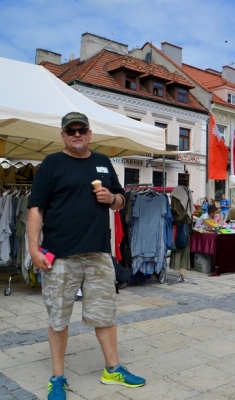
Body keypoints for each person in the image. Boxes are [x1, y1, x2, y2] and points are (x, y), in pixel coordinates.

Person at [27, 112, 145, 400]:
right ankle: (57, 377)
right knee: (58, 317)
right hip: (61, 254)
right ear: (63, 135)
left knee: (105, 314)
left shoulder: (103, 163)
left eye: (81, 130)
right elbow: (36, 209)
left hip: (98, 252)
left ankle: (112, 368)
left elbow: (120, 200)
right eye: (71, 131)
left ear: (90, 133)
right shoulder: (52, 164)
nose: (76, 134)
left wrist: (111, 198)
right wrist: (33, 248)